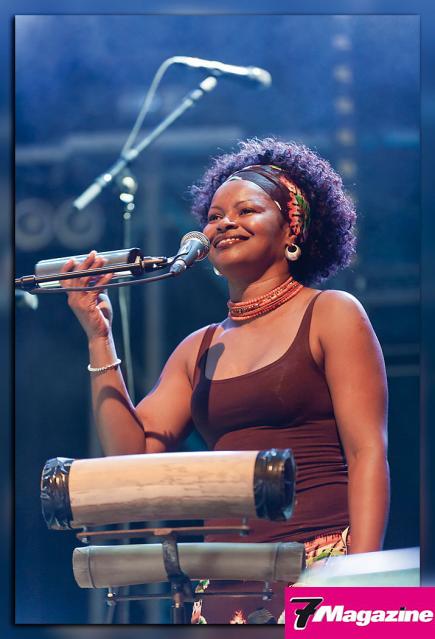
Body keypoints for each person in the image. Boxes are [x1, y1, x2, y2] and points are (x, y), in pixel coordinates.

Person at [60, 137, 390, 624]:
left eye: (246, 210)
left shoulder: (332, 313)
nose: (224, 223)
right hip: (224, 582)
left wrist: (362, 586)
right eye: (214, 217)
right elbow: (130, 457)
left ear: (291, 230)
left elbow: (367, 454)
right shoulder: (199, 348)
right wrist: (98, 337)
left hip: (323, 564)